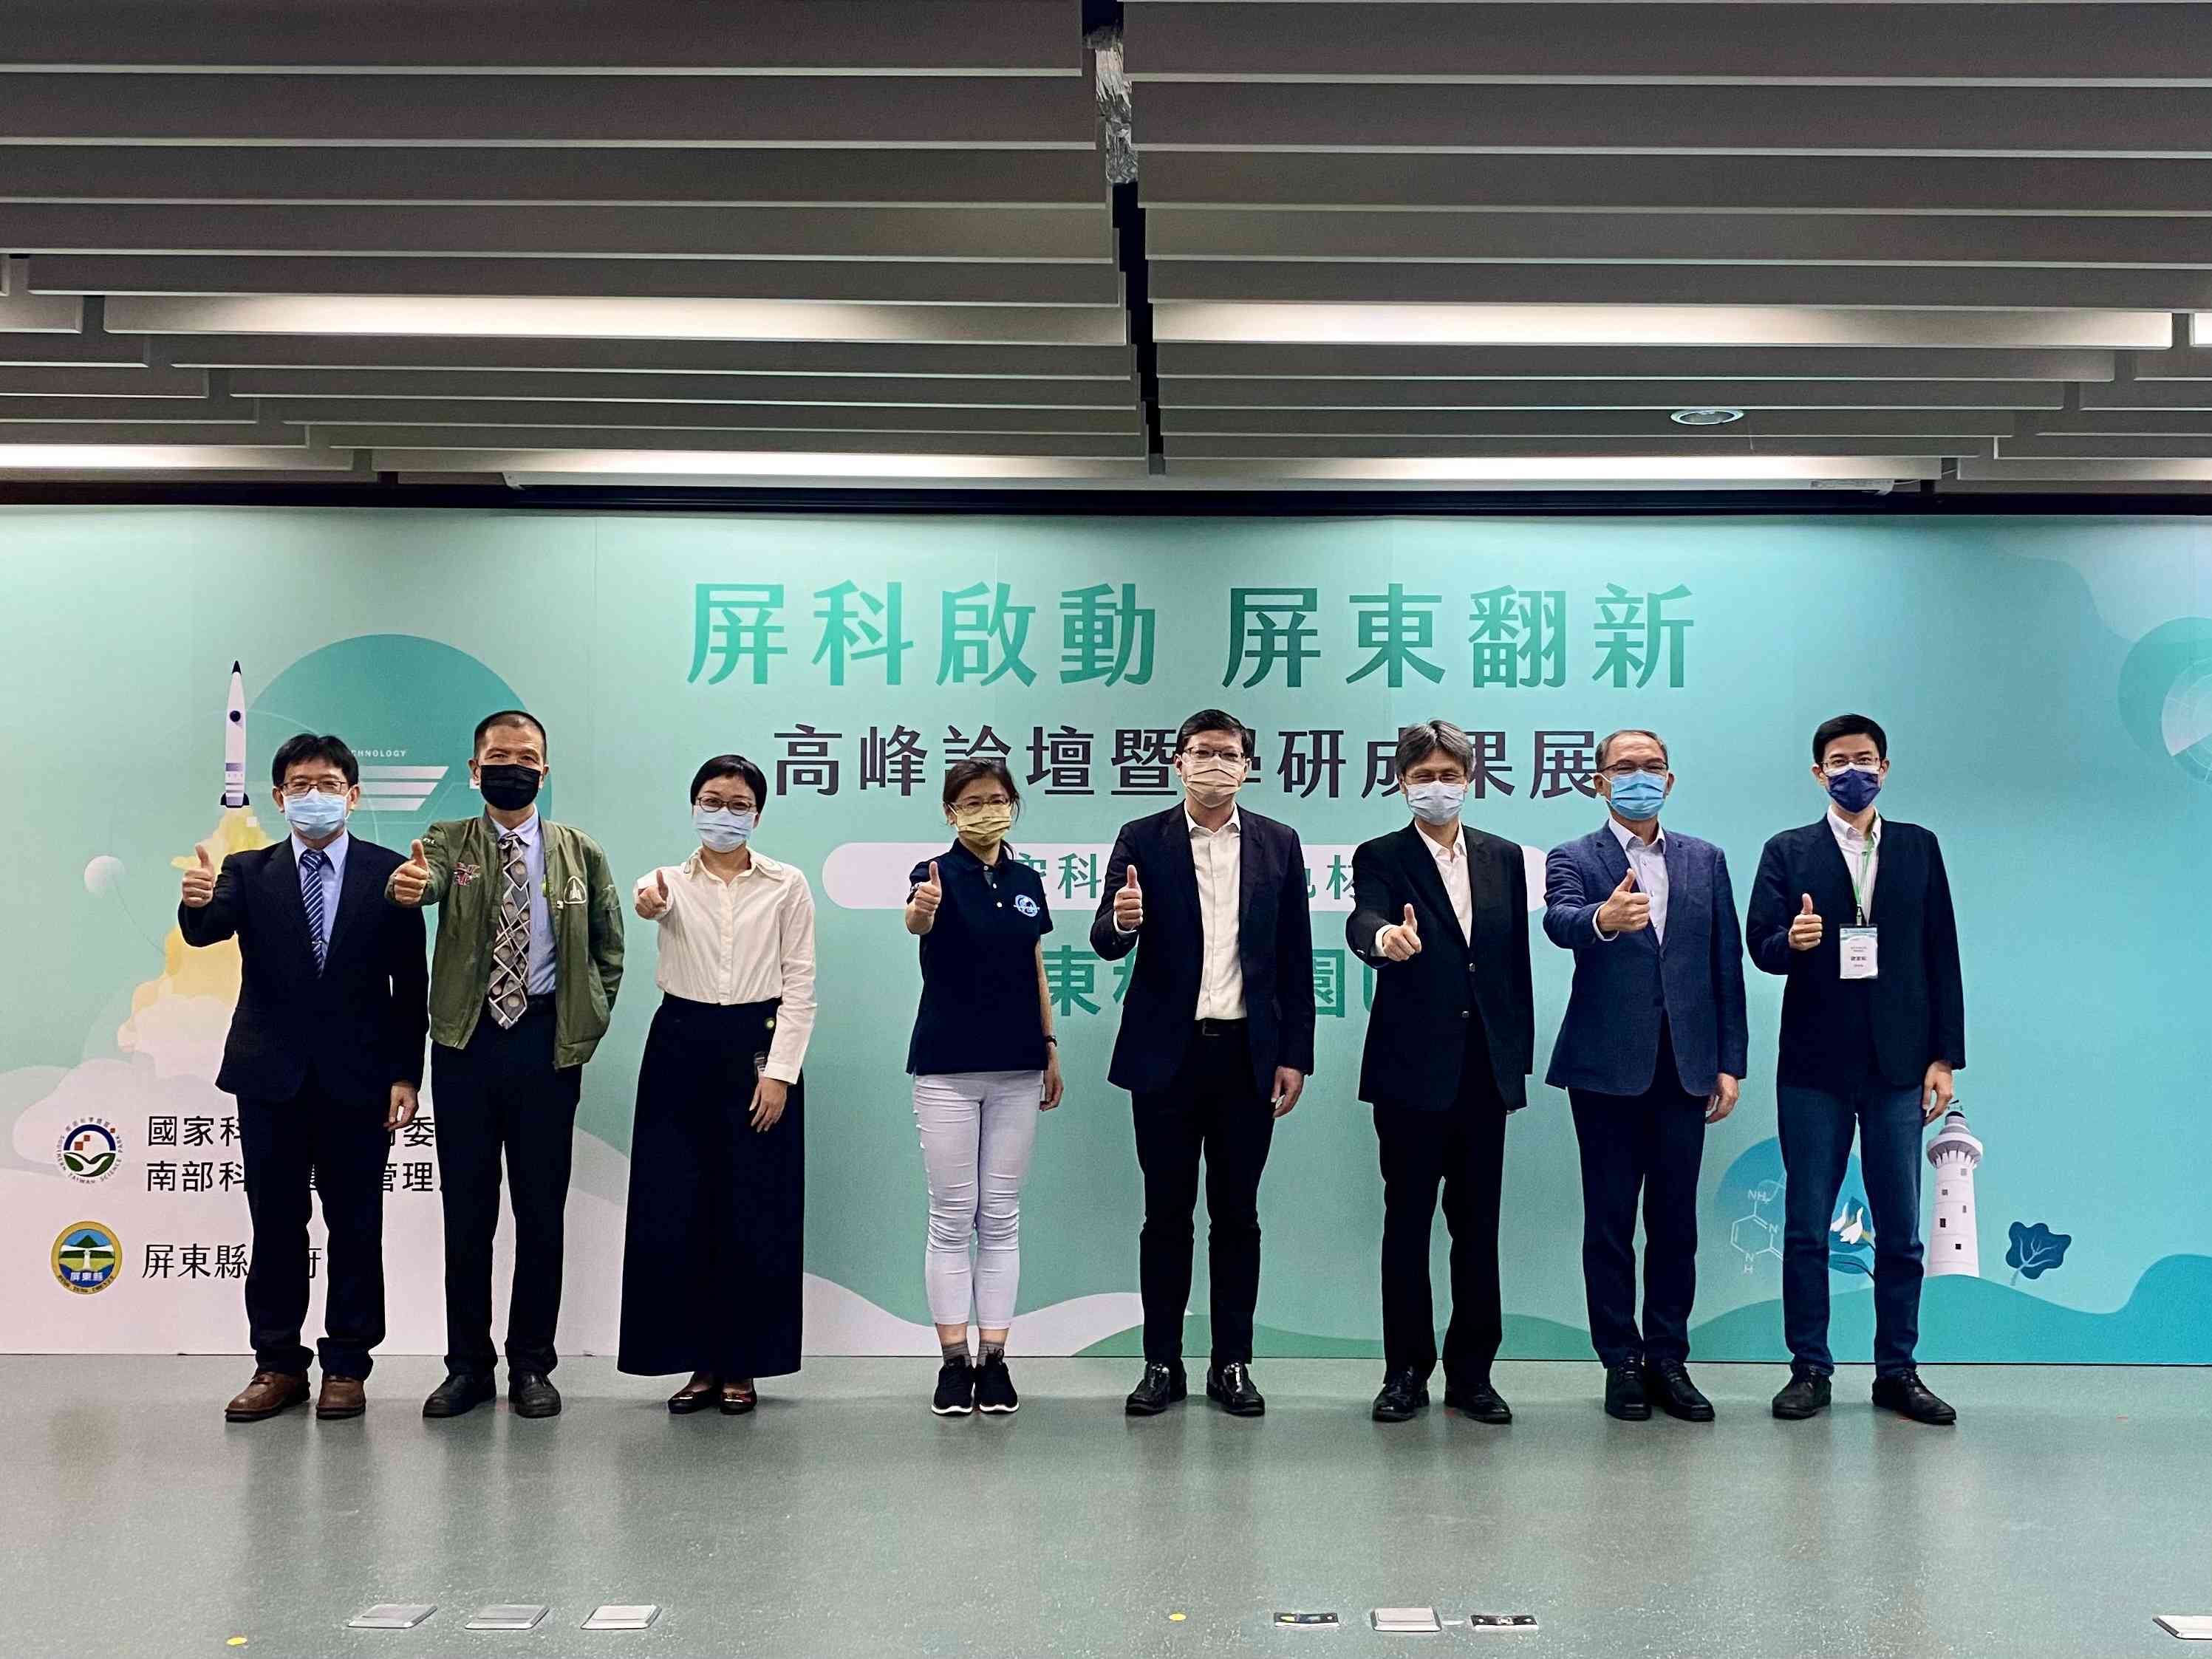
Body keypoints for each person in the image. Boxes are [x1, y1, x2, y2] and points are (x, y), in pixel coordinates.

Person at [179, 733, 426, 1423]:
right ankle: (278, 1364)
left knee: (356, 1226)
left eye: (328, 784)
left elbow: (411, 986)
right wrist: (195, 901)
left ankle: (347, 1364)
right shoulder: (247, 870)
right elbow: (205, 930)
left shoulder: (391, 873)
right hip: (270, 1078)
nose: (313, 796)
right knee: (276, 1225)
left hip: (360, 1079)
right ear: (279, 796)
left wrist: (406, 1074)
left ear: (353, 795)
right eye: (299, 785)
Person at [387, 711, 624, 1421]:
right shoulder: (448, 840)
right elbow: (423, 882)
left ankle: (532, 1366)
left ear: (544, 771)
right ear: (474, 769)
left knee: (541, 1213)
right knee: (468, 1214)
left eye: (525, 758)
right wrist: (410, 886)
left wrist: (586, 1020)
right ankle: (467, 1367)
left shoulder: (580, 852)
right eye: (497, 757)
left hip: (547, 1045)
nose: (511, 767)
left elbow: (609, 948)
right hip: (466, 1043)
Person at [1092, 709, 1314, 1418]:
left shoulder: (1279, 842)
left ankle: (1232, 1364)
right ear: (1178, 763)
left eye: (1229, 754)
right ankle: (1160, 1362)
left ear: (1248, 766)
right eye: (1201, 752)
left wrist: (1295, 1056)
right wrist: (1123, 919)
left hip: (1248, 1055)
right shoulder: (1142, 839)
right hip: (1167, 1056)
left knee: (1237, 1216)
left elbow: (1295, 957)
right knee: (1165, 1216)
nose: (1215, 764)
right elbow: (1104, 937)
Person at [1747, 714, 1965, 1426]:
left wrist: (1944, 1057)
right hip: (1814, 1067)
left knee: (1901, 1229)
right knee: (1807, 1226)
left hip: (1900, 1066)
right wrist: (1793, 939)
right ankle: (1809, 1369)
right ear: (1818, 773)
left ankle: (1898, 1371)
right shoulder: (1787, 851)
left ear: (1885, 768)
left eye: (1865, 759)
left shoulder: (1919, 847)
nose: (1853, 771)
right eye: (1839, 761)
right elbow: (1760, 945)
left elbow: (1942, 953)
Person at [1541, 730, 1747, 1423]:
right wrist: (1603, 918)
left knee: (1674, 1223)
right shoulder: (1575, 856)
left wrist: (1729, 1062)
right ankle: (1621, 1362)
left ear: (1671, 779)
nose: (1639, 777)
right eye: (1624, 767)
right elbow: (1560, 919)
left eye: (1652, 766)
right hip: (1604, 1070)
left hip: (1685, 1068)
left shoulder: (1705, 859)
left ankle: (1667, 1358)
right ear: (1599, 781)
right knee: (1608, 1224)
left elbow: (1724, 965)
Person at [1347, 720, 1532, 1426]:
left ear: (1469, 779)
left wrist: (1514, 1066)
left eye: (1448, 775)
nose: (1437, 787)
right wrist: (1383, 939)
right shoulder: (1382, 854)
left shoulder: (1503, 857)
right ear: (1402, 783)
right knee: (1407, 1226)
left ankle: (1474, 1375)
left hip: (1484, 1071)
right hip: (1410, 1072)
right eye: (1422, 776)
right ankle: (1405, 1372)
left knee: (1478, 1229)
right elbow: (1364, 918)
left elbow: (1512, 966)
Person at [621, 753, 817, 1416]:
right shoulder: (667, 881)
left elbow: (801, 985)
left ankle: (743, 1364)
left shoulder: (787, 883)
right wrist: (650, 905)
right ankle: (699, 1364)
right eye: (712, 801)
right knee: (678, 1206)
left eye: (738, 805)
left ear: (757, 814)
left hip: (759, 1045)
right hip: (680, 1043)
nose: (724, 814)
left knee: (755, 1209)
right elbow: (647, 903)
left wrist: (780, 1073)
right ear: (693, 806)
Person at [902, 758, 1064, 1417]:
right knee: (952, 1214)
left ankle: (993, 1359)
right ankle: (952, 1362)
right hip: (947, 1066)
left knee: (1000, 1216)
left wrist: (1050, 1046)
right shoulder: (933, 874)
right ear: (951, 813)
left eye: (998, 800)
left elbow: (1035, 966)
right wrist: (922, 910)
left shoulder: (1028, 882)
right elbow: (917, 922)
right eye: (972, 802)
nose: (987, 810)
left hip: (1019, 1066)